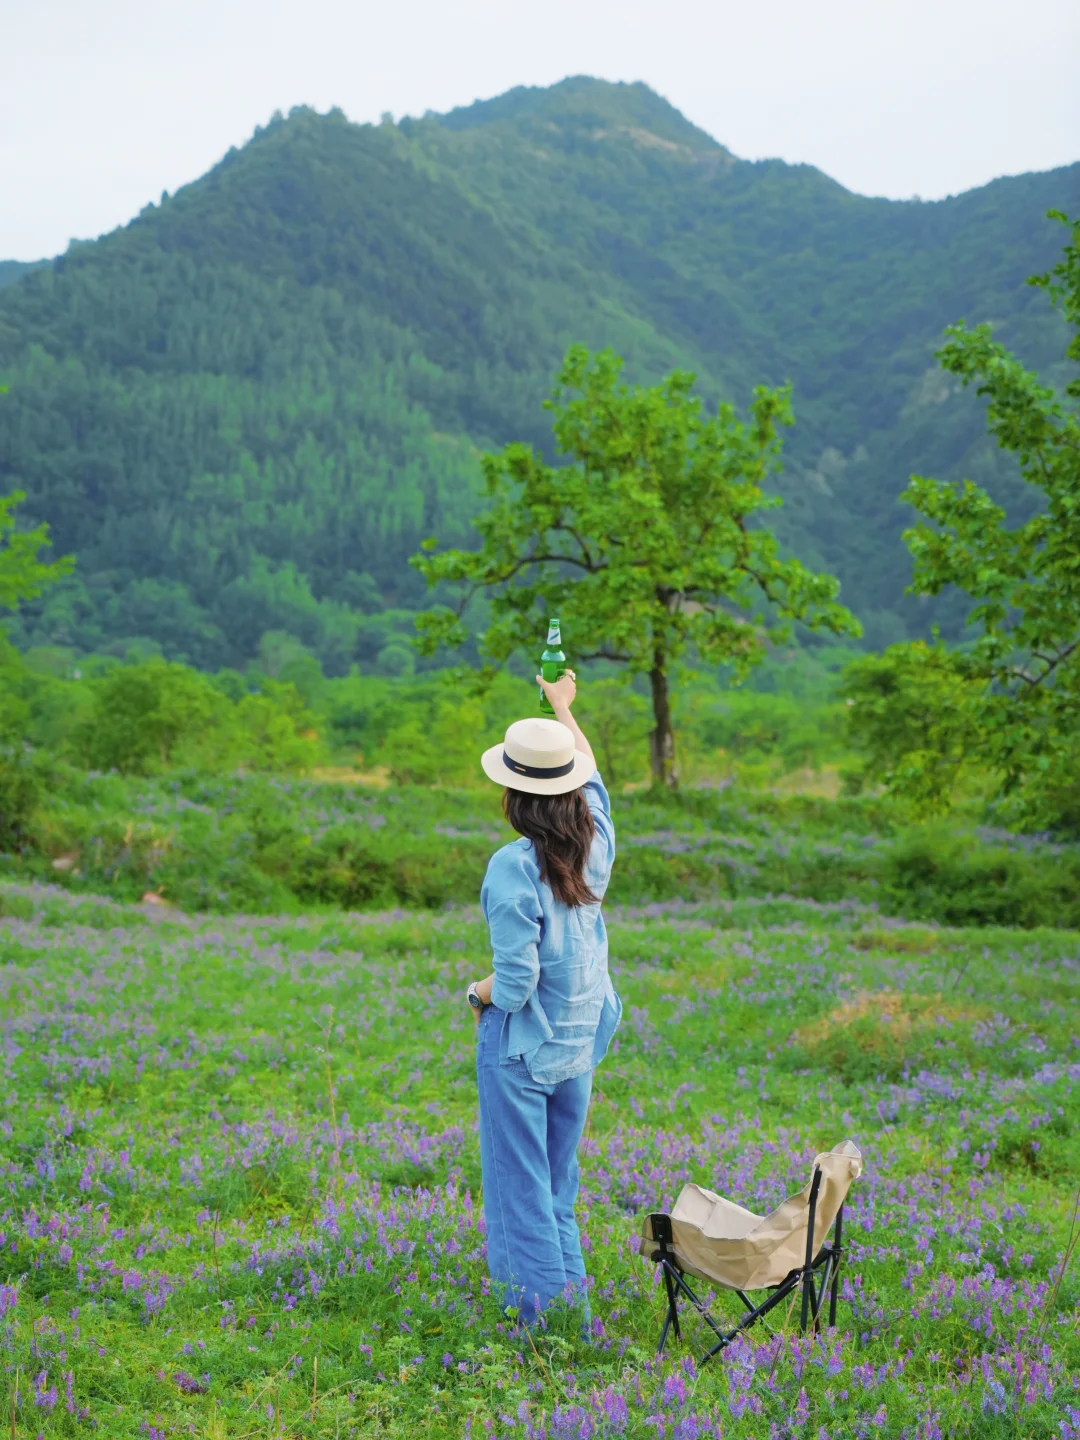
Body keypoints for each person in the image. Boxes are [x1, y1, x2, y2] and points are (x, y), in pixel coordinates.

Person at [467, 669, 621, 1327]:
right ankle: (571, 1319)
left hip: (524, 1046)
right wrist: (563, 708)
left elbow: (515, 982)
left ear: (511, 792)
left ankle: (542, 1331)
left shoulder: (513, 866)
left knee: (519, 1194)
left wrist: (476, 993)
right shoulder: (597, 841)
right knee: (557, 1189)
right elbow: (592, 779)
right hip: (579, 1040)